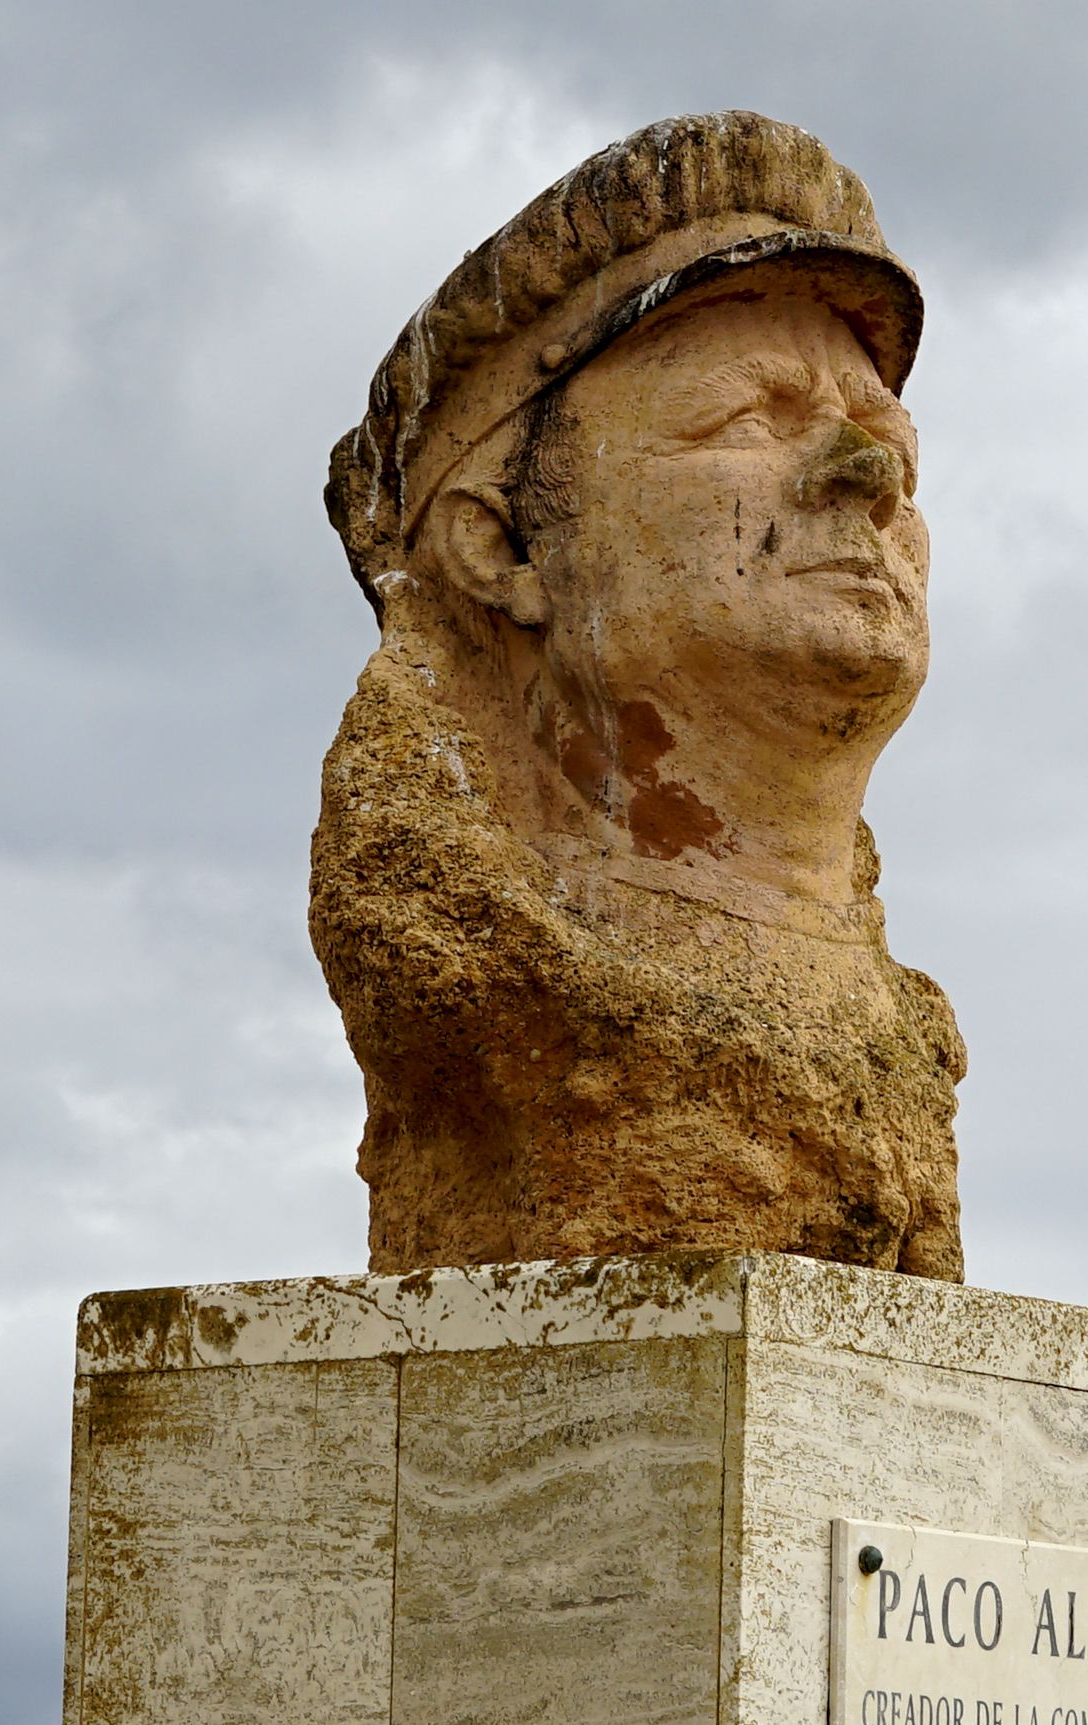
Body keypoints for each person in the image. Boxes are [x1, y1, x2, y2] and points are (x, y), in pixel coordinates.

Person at [312, 113, 966, 1280]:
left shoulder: (902, 1043)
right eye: (748, 415)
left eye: (890, 443)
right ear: (498, 540)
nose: (868, 477)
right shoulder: (503, 1002)